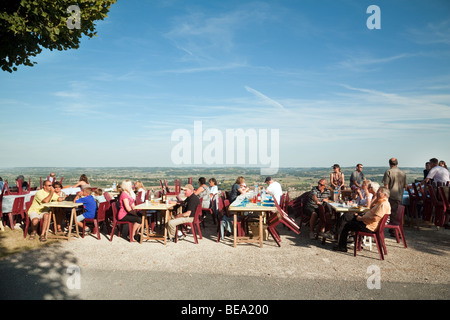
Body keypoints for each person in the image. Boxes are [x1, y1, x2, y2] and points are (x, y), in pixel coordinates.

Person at [333, 186, 391, 252]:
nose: (377, 193)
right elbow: (371, 207)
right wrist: (376, 199)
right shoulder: (380, 202)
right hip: (366, 222)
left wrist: (361, 218)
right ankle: (336, 234)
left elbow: (375, 218)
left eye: (379, 192)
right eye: (377, 192)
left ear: (385, 195)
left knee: (346, 224)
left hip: (368, 226)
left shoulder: (383, 204)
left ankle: (338, 239)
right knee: (347, 216)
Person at [383, 158, 407, 230]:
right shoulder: (402, 173)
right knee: (398, 214)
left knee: (393, 213)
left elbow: (386, 185)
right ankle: (397, 229)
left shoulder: (388, 172)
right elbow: (405, 186)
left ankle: (394, 230)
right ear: (397, 163)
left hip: (391, 195)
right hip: (400, 195)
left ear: (389, 164)